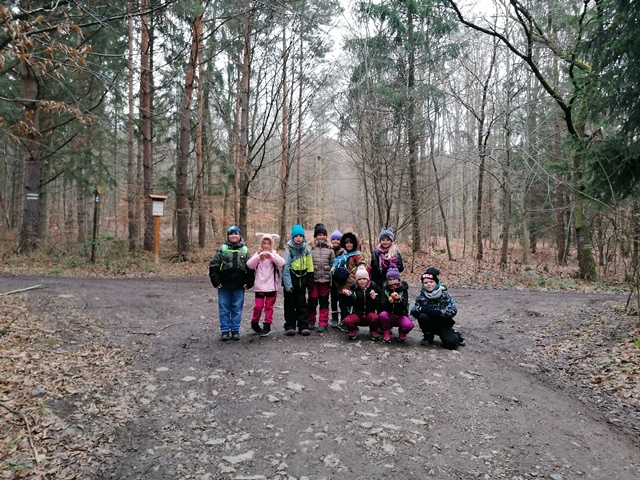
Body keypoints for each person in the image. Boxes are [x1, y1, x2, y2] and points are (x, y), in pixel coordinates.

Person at [208, 226, 253, 341]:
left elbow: (251, 267)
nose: (234, 236)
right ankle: (224, 331)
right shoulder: (222, 249)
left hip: (239, 285)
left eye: (236, 234)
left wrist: (249, 282)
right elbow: (214, 265)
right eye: (231, 234)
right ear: (228, 236)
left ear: (240, 236)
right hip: (224, 285)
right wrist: (215, 281)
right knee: (224, 308)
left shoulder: (245, 250)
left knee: (237, 308)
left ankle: (235, 330)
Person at [411, 267, 465, 349]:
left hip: (443, 322)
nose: (428, 284)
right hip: (429, 322)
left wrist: (440, 313)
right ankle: (428, 336)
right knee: (422, 316)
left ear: (436, 283)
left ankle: (456, 335)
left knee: (451, 344)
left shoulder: (444, 294)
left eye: (431, 282)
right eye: (425, 283)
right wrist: (421, 309)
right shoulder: (421, 297)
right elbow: (413, 311)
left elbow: (453, 310)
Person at [246, 233, 285, 337]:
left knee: (269, 307)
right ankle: (254, 322)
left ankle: (267, 325)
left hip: (272, 287)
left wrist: (272, 257)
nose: (266, 246)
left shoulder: (274, 254)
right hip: (260, 287)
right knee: (258, 306)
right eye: (264, 243)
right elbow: (249, 265)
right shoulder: (258, 254)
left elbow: (281, 263)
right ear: (261, 244)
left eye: (268, 243)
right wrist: (258, 257)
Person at [282, 224, 314, 336]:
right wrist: (288, 285)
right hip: (291, 280)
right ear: (293, 237)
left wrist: (310, 281)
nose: (299, 238)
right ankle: (290, 326)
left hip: (302, 281)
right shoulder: (288, 251)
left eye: (301, 236)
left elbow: (310, 266)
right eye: (296, 236)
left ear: (303, 237)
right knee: (289, 305)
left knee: (302, 305)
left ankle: (303, 326)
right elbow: (285, 268)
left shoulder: (306, 250)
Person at [333, 232, 367, 328]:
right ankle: (344, 320)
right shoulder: (341, 254)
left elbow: (362, 264)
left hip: (352, 283)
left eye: (351, 243)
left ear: (354, 243)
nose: (349, 245)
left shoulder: (357, 255)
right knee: (342, 304)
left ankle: (351, 323)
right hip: (341, 282)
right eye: (347, 243)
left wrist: (360, 272)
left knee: (351, 304)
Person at [308, 223, 335, 332]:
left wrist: (331, 273)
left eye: (324, 235)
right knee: (312, 301)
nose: (322, 237)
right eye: (319, 235)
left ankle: (323, 322)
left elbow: (333, 264)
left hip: (325, 280)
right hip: (313, 280)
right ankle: (311, 321)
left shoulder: (330, 250)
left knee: (324, 301)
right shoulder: (310, 249)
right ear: (315, 236)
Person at [342, 266, 381, 340]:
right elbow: (349, 304)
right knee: (347, 320)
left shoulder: (373, 288)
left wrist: (374, 299)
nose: (362, 281)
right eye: (359, 279)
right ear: (356, 280)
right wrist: (348, 296)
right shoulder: (353, 289)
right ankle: (354, 330)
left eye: (364, 279)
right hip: (357, 314)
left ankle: (373, 330)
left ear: (368, 279)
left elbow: (378, 305)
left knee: (376, 318)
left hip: (369, 314)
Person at [378, 266, 414, 343]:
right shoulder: (385, 290)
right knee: (382, 315)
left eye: (394, 279)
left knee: (409, 325)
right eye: (390, 279)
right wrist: (389, 302)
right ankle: (386, 331)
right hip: (389, 315)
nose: (392, 281)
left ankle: (402, 331)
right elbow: (382, 305)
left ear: (398, 279)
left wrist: (399, 302)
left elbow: (404, 306)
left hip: (400, 315)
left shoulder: (403, 291)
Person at [329, 229, 344, 328]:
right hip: (331, 279)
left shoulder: (343, 251)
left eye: (338, 239)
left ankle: (343, 318)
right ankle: (334, 318)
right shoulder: (328, 250)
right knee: (333, 299)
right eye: (334, 239)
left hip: (341, 279)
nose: (336, 241)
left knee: (342, 299)